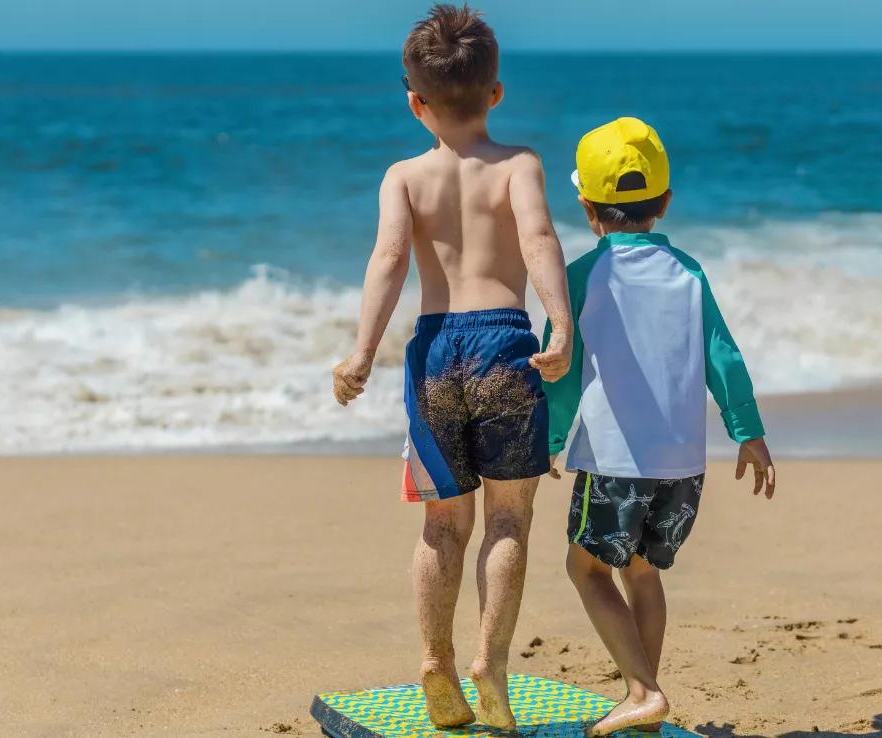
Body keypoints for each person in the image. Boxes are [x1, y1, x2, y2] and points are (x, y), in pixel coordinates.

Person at [331, 4, 573, 731]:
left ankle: (434, 657)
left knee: (443, 525)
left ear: (416, 103)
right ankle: (488, 662)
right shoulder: (519, 165)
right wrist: (559, 323)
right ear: (495, 92)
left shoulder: (403, 176)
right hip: (504, 341)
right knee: (509, 517)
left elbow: (388, 261)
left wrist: (362, 352)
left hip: (434, 350)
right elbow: (537, 238)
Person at [543, 117, 777, 737]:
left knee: (584, 568)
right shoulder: (690, 273)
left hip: (615, 461)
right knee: (641, 570)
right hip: (682, 464)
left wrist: (546, 441)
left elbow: (561, 372)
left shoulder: (581, 276)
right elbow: (722, 357)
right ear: (665, 203)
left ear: (588, 208)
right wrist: (747, 432)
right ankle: (642, 705)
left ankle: (644, 690)